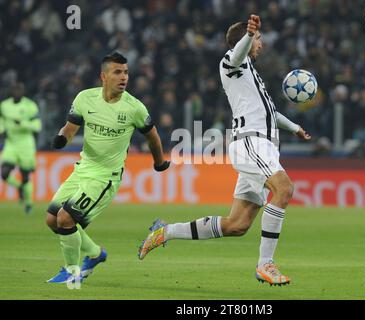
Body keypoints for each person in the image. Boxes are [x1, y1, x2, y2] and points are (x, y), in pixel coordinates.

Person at [138, 15, 311, 286]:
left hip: (262, 148)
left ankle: (165, 232)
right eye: (258, 40)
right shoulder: (230, 62)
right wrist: (250, 34)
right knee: (284, 188)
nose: (261, 45)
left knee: (237, 225)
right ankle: (265, 264)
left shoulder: (250, 76)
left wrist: (295, 127)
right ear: (247, 39)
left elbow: (270, 112)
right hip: (251, 144)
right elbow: (237, 53)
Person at [45, 52, 170, 286]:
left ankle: (72, 273)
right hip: (83, 169)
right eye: (117, 72)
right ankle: (95, 254)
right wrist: (62, 138)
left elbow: (153, 136)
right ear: (103, 76)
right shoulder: (85, 98)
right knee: (52, 219)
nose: (124, 77)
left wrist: (159, 162)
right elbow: (70, 127)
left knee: (65, 218)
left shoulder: (134, 108)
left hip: (105, 177)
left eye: (126, 72)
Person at [0, 82, 41, 214]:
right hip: (11, 143)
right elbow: (1, 121)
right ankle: (20, 188)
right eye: (15, 90)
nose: (17, 92)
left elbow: (37, 126)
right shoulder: (4, 105)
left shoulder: (30, 106)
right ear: (11, 91)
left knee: (25, 176)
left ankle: (28, 204)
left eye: (19, 90)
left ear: (23, 91)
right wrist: (1, 130)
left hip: (26, 145)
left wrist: (22, 123)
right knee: (4, 173)